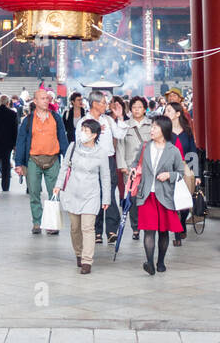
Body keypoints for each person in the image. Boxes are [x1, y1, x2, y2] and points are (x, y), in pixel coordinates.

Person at [53, 117, 110, 274]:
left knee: (88, 228)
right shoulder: (73, 147)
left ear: (94, 135)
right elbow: (64, 168)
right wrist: (58, 186)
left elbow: (105, 177)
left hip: (91, 194)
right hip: (72, 191)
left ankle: (87, 261)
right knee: (75, 228)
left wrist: (106, 198)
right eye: (82, 130)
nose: (82, 133)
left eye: (86, 131)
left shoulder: (101, 153)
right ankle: (78, 253)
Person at [134, 115, 184, 276]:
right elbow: (135, 164)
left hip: (165, 196)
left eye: (155, 127)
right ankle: (149, 262)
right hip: (147, 195)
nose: (152, 130)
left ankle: (160, 261)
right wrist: (134, 170)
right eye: (152, 127)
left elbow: (181, 173)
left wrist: (169, 175)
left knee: (163, 231)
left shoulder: (173, 150)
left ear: (164, 130)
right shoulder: (145, 147)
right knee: (149, 230)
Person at [14, 85, 69, 234]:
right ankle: (37, 222)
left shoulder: (56, 118)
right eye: (43, 98)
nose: (46, 101)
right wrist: (18, 163)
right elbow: (20, 142)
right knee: (34, 192)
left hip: (53, 160)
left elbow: (62, 139)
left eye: (47, 98)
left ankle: (52, 224)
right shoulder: (28, 120)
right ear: (35, 101)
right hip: (34, 160)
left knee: (54, 193)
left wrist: (69, 159)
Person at [79, 91, 123, 244]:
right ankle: (97, 231)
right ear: (95, 104)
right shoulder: (84, 121)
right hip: (91, 161)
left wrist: (120, 116)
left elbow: (120, 134)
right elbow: (80, 141)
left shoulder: (108, 120)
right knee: (94, 195)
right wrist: (94, 132)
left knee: (109, 193)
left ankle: (111, 229)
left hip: (109, 160)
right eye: (103, 102)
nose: (106, 105)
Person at [163, 100, 199, 244]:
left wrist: (196, 174)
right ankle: (177, 234)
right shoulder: (164, 131)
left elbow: (193, 153)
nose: (166, 113)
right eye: (165, 110)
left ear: (177, 114)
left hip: (185, 167)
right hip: (168, 168)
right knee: (172, 202)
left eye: (169, 111)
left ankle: (182, 223)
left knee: (184, 202)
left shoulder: (187, 132)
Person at [120, 95, 153, 240]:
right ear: (130, 109)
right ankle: (135, 227)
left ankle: (146, 223)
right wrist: (122, 166)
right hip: (130, 167)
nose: (137, 110)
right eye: (134, 107)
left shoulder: (152, 124)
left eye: (140, 107)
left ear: (145, 109)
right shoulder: (125, 125)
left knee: (146, 196)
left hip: (147, 167)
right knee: (132, 198)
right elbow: (120, 147)